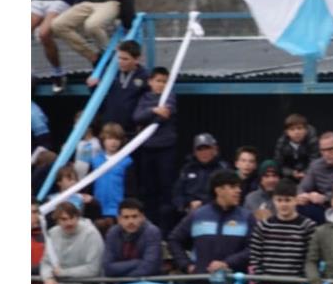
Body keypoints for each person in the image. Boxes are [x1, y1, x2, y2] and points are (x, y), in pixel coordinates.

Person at [167, 171, 252, 275]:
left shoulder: (246, 217)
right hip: (200, 283)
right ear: (218, 190)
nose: (238, 191)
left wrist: (227, 263)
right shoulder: (198, 215)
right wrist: (186, 265)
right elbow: (174, 240)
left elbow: (254, 248)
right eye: (233, 187)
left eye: (239, 187)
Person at [131, 67, 177, 226]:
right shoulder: (144, 98)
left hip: (165, 148)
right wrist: (154, 110)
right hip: (147, 149)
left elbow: (165, 114)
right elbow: (137, 116)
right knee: (148, 189)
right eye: (158, 81)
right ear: (150, 82)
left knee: (166, 188)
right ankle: (150, 224)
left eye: (165, 82)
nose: (161, 85)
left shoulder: (170, 96)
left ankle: (166, 228)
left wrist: (150, 116)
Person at [248, 180, 314, 283]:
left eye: (288, 200)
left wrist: (302, 283)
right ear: (274, 201)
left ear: (296, 200)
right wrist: (260, 283)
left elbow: (310, 258)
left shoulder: (307, 226)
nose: (283, 204)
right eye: (279, 200)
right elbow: (255, 258)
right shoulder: (263, 226)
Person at [41, 201, 105, 284]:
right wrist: (48, 277)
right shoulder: (52, 233)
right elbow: (46, 262)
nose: (69, 223)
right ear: (57, 221)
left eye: (72, 218)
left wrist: (63, 273)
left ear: (78, 217)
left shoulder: (91, 234)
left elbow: (93, 268)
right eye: (64, 219)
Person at [171, 133, 231, 227]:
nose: (204, 153)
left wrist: (203, 204)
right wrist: (185, 205)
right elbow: (177, 193)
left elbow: (225, 195)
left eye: (207, 148)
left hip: (214, 212)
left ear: (214, 150)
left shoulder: (222, 169)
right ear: (194, 152)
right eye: (200, 149)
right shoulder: (187, 168)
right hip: (188, 211)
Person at [91, 40, 147, 135]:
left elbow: (147, 103)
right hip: (108, 130)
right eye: (119, 58)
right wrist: (93, 86)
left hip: (131, 131)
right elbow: (99, 98)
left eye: (125, 59)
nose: (121, 62)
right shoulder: (110, 73)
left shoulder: (145, 77)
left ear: (137, 59)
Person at [101, 198, 162, 277]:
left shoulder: (152, 232)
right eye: (126, 217)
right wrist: (137, 262)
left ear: (142, 217)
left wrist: (124, 281)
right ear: (119, 219)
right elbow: (107, 267)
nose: (131, 221)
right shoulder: (112, 233)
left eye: (134, 216)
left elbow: (149, 267)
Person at [88, 122, 130, 224]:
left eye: (117, 139)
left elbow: (130, 188)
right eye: (110, 138)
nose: (113, 142)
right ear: (103, 140)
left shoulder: (127, 162)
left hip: (118, 210)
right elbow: (89, 186)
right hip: (98, 210)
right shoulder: (95, 161)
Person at [273, 114, 319, 184]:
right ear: (287, 132)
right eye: (292, 129)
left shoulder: (313, 141)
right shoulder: (281, 143)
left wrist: (305, 172)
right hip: (288, 177)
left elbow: (314, 161)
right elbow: (279, 164)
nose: (296, 132)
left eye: (299, 128)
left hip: (311, 175)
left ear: (306, 130)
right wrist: (291, 173)